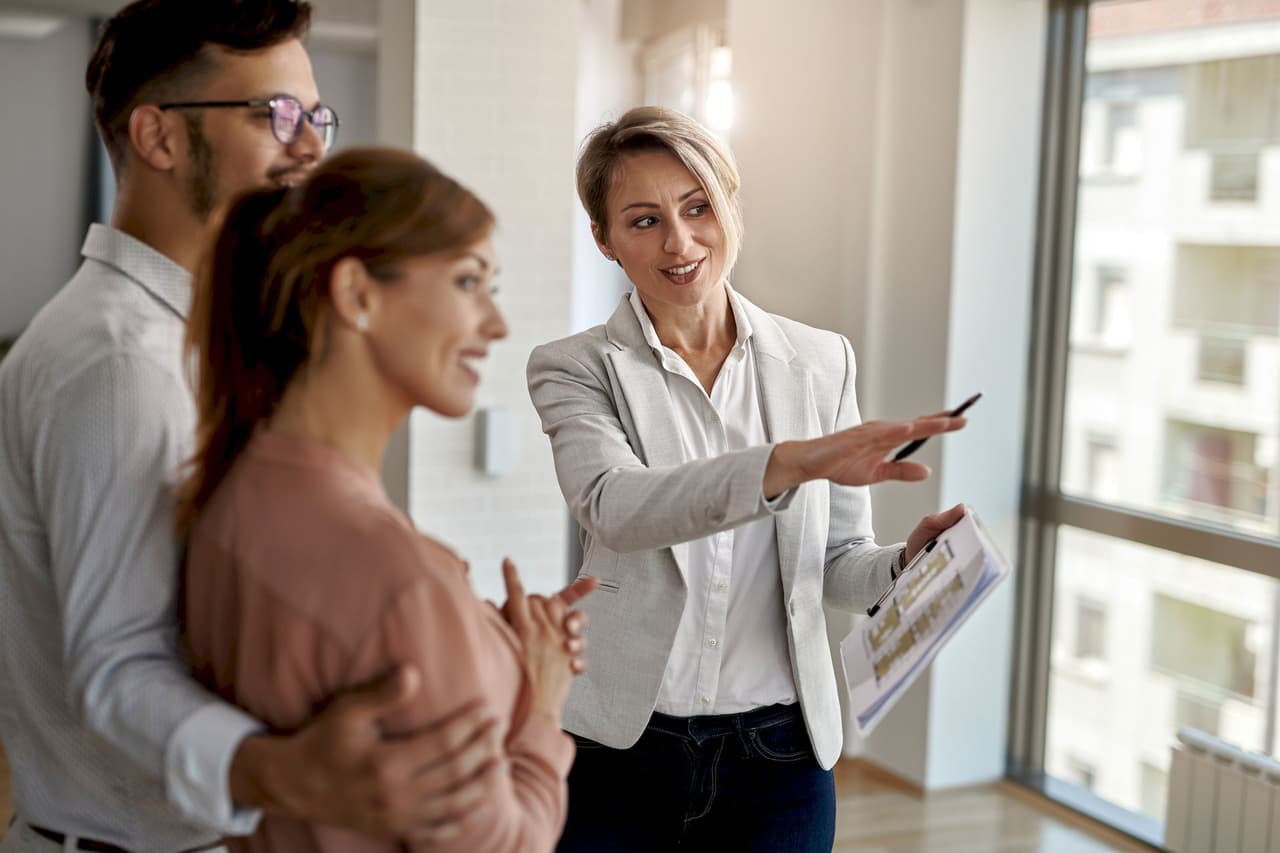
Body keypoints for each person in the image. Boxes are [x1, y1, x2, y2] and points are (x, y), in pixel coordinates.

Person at [0, 2, 540, 850]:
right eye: (276, 114)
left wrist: (454, 630)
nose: (311, 145)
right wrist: (284, 771)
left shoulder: (217, 341)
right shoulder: (120, 364)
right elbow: (116, 666)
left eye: (315, 116)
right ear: (160, 137)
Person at [526, 105, 969, 853]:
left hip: (779, 757)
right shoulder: (575, 367)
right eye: (643, 220)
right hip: (620, 749)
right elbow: (617, 508)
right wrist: (790, 462)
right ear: (604, 239)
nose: (680, 240)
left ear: (730, 201)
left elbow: (833, 564)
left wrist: (902, 567)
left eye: (698, 206)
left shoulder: (823, 361)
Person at [178, 146, 590, 853]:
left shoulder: (230, 498)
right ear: (357, 295)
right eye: (469, 282)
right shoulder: (402, 581)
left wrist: (483, 637)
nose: (496, 324)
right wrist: (543, 703)